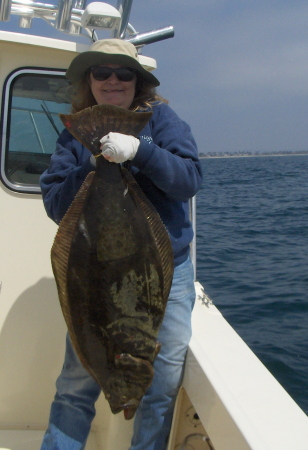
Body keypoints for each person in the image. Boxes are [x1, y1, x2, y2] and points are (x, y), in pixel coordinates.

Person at [40, 38, 203, 450]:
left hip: (162, 276)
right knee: (76, 382)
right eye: (102, 73)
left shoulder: (159, 120)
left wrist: (140, 150)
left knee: (163, 381)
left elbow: (188, 180)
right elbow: (57, 204)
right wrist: (94, 165)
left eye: (123, 73)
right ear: (89, 81)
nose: (113, 81)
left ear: (138, 81)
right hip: (95, 275)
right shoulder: (75, 133)